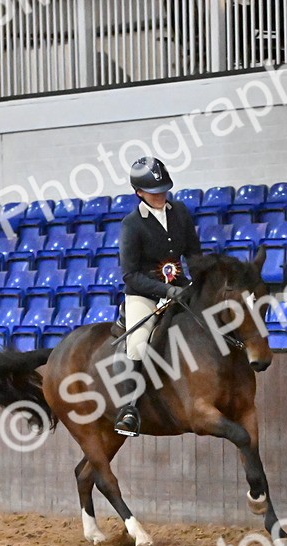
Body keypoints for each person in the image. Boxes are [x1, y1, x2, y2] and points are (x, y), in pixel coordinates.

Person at [113, 156, 203, 437]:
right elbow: (129, 275)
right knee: (138, 345)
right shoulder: (132, 224)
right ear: (139, 193)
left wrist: (200, 282)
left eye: (164, 189)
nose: (161, 195)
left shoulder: (180, 213)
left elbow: (193, 254)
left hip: (180, 286)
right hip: (145, 294)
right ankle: (128, 409)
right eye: (154, 191)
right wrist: (166, 290)